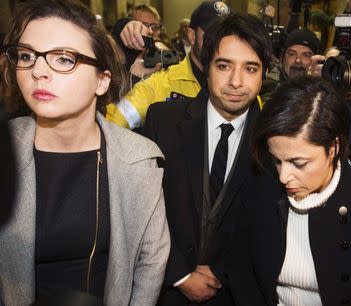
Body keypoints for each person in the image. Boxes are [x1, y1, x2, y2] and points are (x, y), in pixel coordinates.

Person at [0, 0, 170, 305]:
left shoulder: (140, 159)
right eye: (26, 55)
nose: (38, 71)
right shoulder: (5, 151)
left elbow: (151, 261)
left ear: (102, 81)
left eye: (64, 59)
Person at [227, 77, 351, 306]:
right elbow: (241, 275)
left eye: (299, 163)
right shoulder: (259, 188)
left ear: (333, 148)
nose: (284, 176)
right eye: (276, 160)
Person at [143, 12, 272, 306]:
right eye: (224, 66)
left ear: (264, 73)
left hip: (238, 294)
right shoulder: (163, 122)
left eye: (250, 68)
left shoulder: (275, 139)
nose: (236, 82)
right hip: (167, 290)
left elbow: (271, 230)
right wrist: (179, 274)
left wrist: (222, 272)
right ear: (206, 66)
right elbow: (142, 210)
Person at [106, 1, 231, 130]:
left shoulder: (242, 86)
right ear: (192, 36)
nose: (220, 42)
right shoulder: (157, 85)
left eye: (227, 35)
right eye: (212, 34)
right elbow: (111, 126)